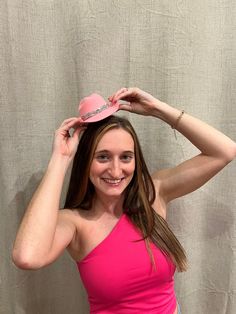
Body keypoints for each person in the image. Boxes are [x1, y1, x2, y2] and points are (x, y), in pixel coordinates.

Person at [12, 87, 236, 314]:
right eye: (103, 157)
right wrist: (60, 159)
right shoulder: (74, 222)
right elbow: (27, 257)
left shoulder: (153, 194)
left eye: (126, 157)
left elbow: (224, 151)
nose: (116, 170)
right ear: (85, 161)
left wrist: (158, 110)